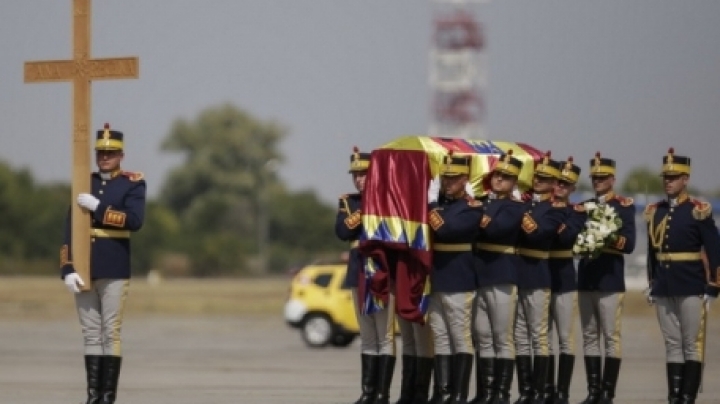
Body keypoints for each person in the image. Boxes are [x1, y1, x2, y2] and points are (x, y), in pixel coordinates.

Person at [60, 124, 146, 404]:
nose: (104, 158)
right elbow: (69, 227)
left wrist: (99, 208)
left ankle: (107, 397)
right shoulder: (84, 181)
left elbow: (134, 221)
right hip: (84, 266)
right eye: (101, 153)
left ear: (121, 156)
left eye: (111, 153)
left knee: (111, 330)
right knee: (90, 332)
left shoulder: (132, 183)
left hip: (114, 265)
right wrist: (67, 267)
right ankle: (92, 397)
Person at [645, 148, 720, 404]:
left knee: (691, 343)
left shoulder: (698, 210)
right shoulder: (656, 211)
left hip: (690, 283)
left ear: (685, 179)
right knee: (672, 343)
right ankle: (674, 396)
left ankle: (688, 397)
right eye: (666, 176)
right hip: (664, 285)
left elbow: (714, 249)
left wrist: (713, 285)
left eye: (675, 176)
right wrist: (651, 282)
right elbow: (652, 252)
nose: (669, 181)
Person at [335, 147, 396, 404]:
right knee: (367, 335)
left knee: (385, 335)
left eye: (364, 174)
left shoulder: (389, 200)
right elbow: (342, 231)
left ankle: (382, 393)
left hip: (382, 271)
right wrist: (362, 212)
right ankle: (368, 392)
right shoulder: (350, 202)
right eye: (356, 175)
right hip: (359, 271)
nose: (359, 179)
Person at [576, 152, 635, 404]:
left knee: (611, 336)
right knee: (589, 336)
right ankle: (593, 391)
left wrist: (608, 237)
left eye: (602, 178)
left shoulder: (623, 206)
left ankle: (608, 393)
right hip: (587, 277)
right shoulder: (584, 206)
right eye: (595, 178)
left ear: (612, 179)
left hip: (610, 278)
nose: (597, 181)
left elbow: (629, 243)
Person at [426, 152, 483, 404]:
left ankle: (459, 394)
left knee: (460, 337)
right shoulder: (444, 206)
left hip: (459, 278)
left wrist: (429, 205)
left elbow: (446, 229)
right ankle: (444, 392)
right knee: (440, 336)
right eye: (445, 178)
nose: (448, 182)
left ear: (465, 179)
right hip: (438, 277)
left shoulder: (472, 207)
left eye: (453, 178)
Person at [471, 150, 526, 404]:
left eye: (505, 177)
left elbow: (496, 230)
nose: (499, 180)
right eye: (496, 175)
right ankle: (486, 391)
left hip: (503, 271)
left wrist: (473, 215)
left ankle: (501, 393)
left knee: (502, 336)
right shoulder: (483, 202)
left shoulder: (515, 207)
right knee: (481, 335)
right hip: (480, 272)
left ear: (514, 182)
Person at [513, 152, 566, 404]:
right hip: (519, 272)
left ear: (555, 184)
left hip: (537, 272)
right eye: (537, 177)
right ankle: (526, 390)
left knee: (538, 336)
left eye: (545, 179)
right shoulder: (525, 204)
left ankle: (542, 390)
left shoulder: (555, 209)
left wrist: (517, 213)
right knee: (520, 336)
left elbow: (539, 234)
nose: (538, 181)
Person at [546, 157, 586, 404]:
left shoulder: (576, 212)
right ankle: (547, 389)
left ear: (572, 188)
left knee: (565, 338)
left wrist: (550, 226)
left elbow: (565, 236)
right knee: (543, 338)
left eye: (566, 184)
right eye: (558, 182)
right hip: (542, 274)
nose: (560, 187)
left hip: (564, 277)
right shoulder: (542, 209)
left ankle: (562, 392)